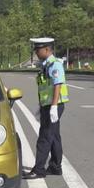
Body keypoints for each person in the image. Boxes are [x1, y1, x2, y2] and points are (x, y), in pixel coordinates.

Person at [23, 37, 69, 179]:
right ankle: (55, 167)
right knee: (54, 137)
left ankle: (39, 170)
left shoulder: (54, 65)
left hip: (54, 105)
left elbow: (57, 85)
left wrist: (53, 107)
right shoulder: (46, 65)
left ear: (47, 49)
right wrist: (43, 106)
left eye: (38, 50)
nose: (36, 52)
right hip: (48, 105)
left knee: (44, 137)